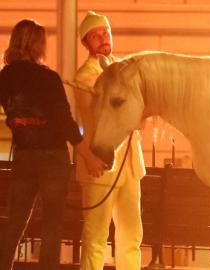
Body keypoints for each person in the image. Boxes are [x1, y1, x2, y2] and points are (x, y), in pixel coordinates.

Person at [0, 19, 106, 270]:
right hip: (53, 159)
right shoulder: (48, 78)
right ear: (37, 44)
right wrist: (88, 157)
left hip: (24, 157)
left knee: (14, 222)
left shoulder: (4, 78)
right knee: (52, 225)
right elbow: (66, 124)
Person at [73, 11, 146, 270]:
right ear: (86, 44)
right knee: (95, 239)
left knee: (131, 237)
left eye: (105, 32)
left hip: (129, 166)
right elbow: (101, 111)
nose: (103, 38)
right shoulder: (85, 78)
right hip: (100, 166)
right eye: (95, 36)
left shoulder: (122, 69)